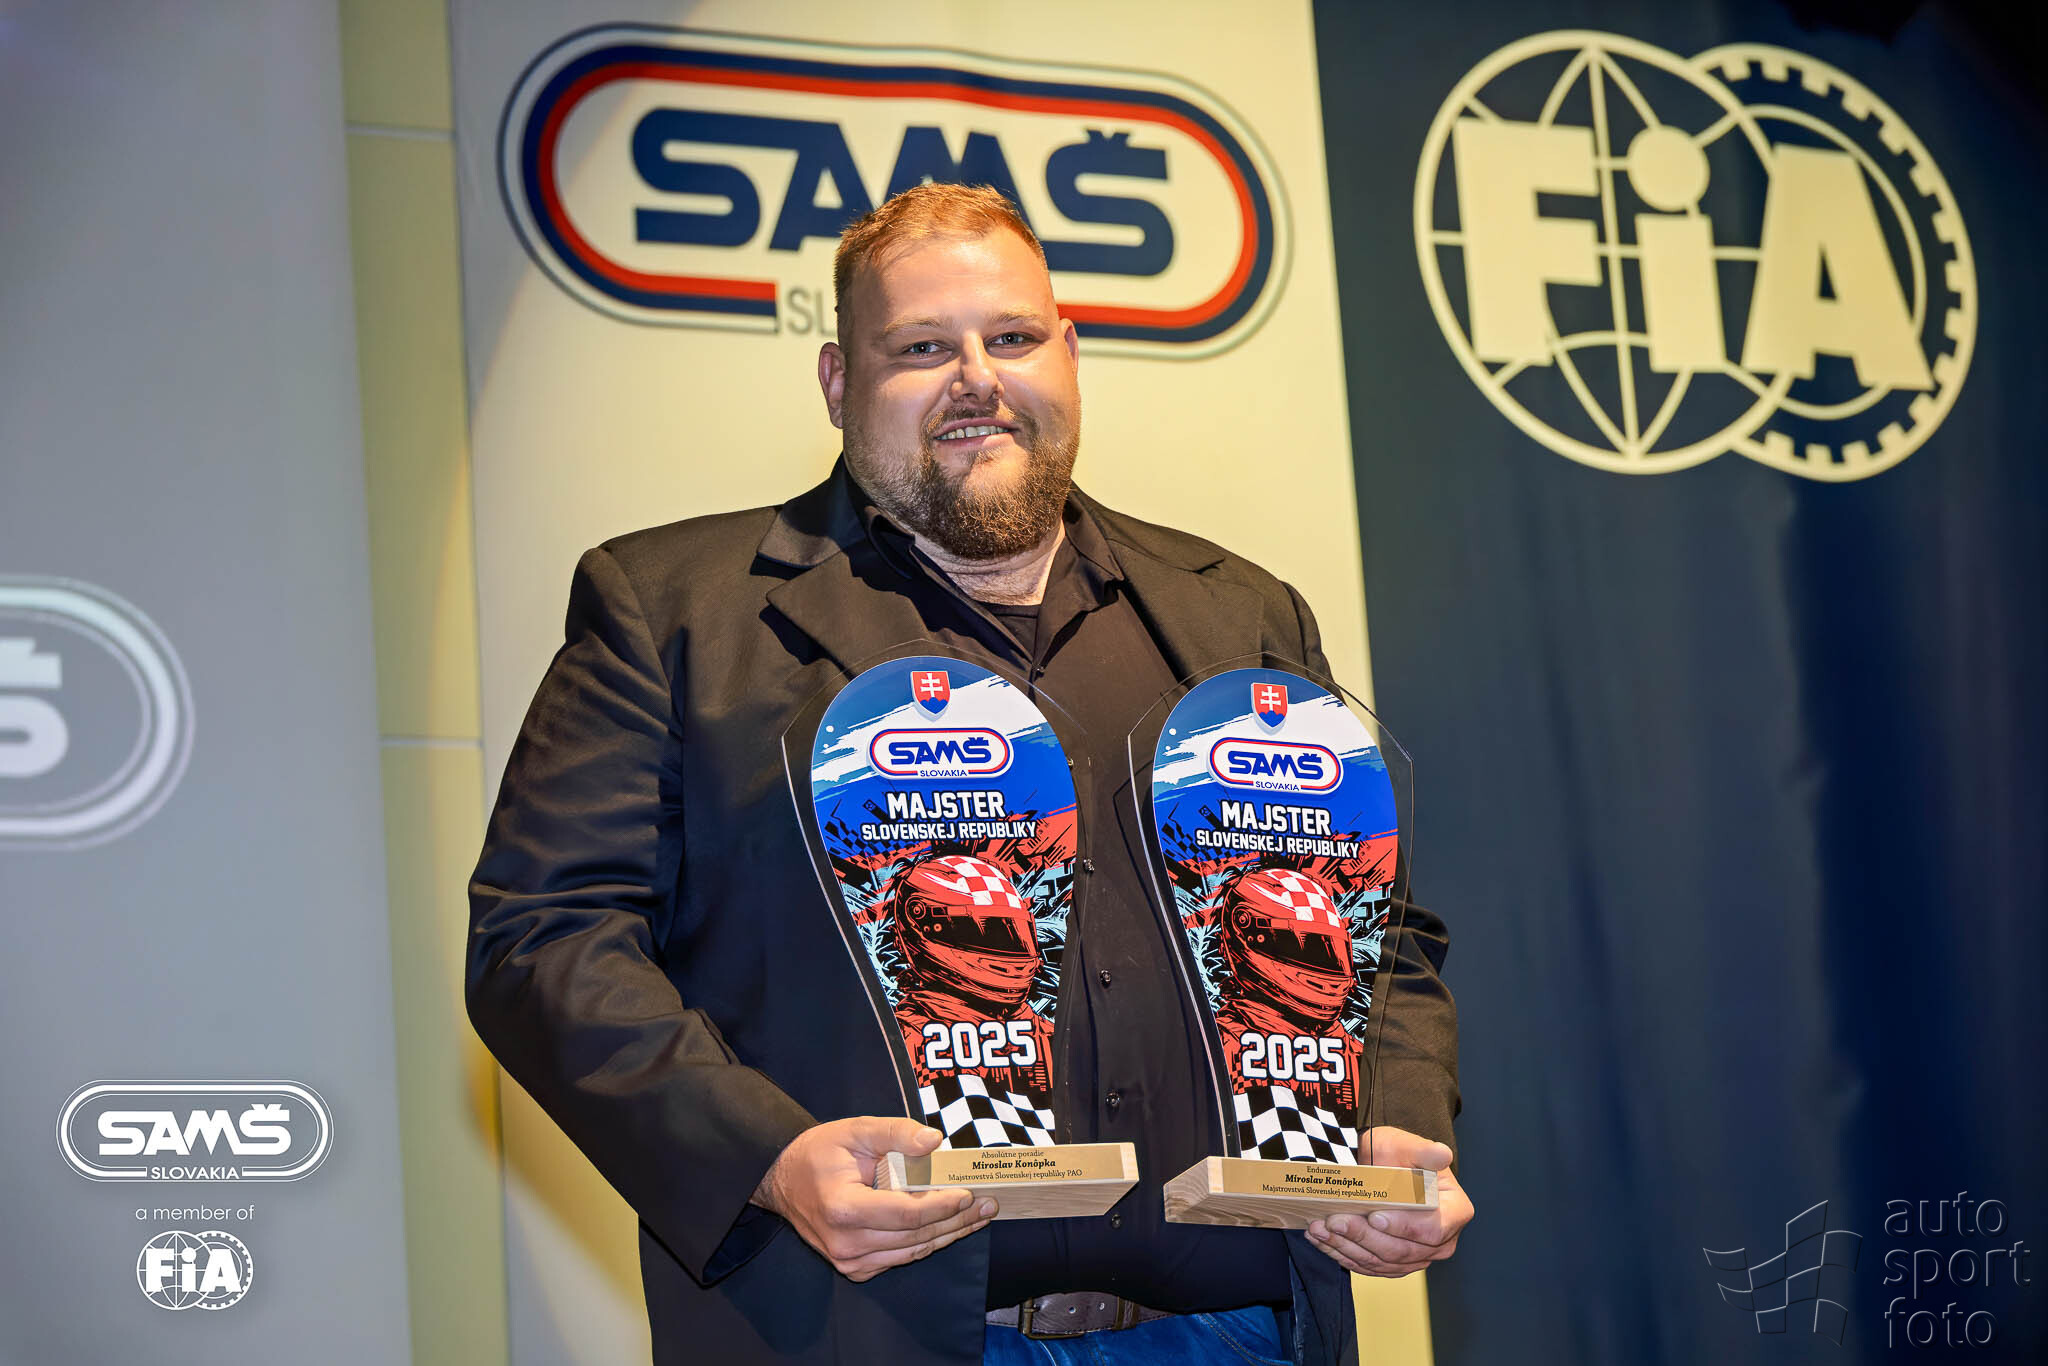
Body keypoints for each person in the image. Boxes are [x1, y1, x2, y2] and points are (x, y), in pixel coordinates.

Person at [467, 182, 1470, 1366]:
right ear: (838, 382)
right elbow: (545, 940)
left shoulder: (1238, 615)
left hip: (1239, 1333)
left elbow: (1374, 927)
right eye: (920, 348)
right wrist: (765, 1159)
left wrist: (1390, 1120)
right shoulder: (677, 613)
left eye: (1012, 337)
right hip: (868, 1332)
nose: (975, 380)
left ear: (1069, 355)